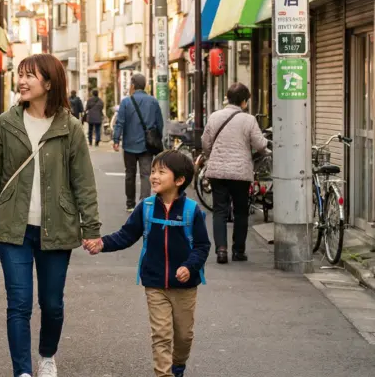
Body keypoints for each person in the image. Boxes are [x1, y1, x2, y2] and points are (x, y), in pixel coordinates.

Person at [0, 53, 102, 377]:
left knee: (52, 304)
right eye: (21, 74)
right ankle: (23, 372)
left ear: (49, 82)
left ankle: (46, 355)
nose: (22, 81)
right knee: (19, 303)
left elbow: (83, 182)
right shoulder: (7, 123)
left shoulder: (69, 128)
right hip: (14, 228)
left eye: (30, 75)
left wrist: (91, 227)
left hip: (57, 228)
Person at [85, 150, 210, 377]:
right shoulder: (147, 207)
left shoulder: (192, 211)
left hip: (185, 285)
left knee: (184, 336)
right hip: (154, 283)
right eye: (153, 171)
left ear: (179, 180)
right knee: (161, 335)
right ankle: (164, 374)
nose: (153, 176)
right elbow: (126, 235)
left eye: (161, 172)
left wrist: (189, 267)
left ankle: (178, 365)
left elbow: (202, 246)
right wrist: (101, 243)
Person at [201, 82, 269, 264]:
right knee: (240, 211)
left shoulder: (215, 117)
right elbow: (260, 145)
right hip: (240, 173)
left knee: (220, 211)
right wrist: (266, 150)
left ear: (228, 98)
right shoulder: (249, 120)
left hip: (218, 172)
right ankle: (238, 251)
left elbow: (205, 143)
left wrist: (213, 157)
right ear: (244, 102)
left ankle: (221, 250)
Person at [113, 73, 164, 212]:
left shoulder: (126, 102)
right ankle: (145, 202)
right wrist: (158, 138)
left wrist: (116, 139)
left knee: (130, 174)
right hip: (147, 145)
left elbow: (120, 123)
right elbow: (159, 123)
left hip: (129, 145)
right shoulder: (153, 101)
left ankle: (130, 204)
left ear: (133, 85)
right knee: (146, 174)